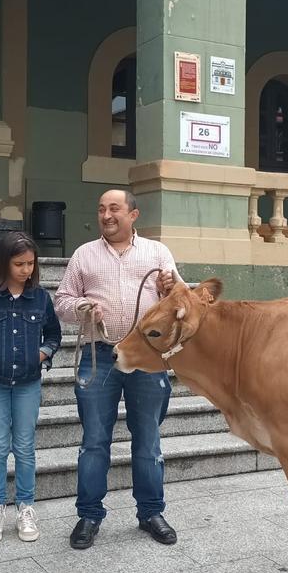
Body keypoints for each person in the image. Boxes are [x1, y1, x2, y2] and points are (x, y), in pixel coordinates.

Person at [54, 189, 181, 550]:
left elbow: (180, 301)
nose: (107, 215)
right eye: (101, 209)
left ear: (133, 214)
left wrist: (169, 290)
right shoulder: (84, 255)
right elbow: (61, 301)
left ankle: (151, 512)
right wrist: (80, 306)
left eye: (114, 208)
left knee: (148, 441)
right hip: (100, 355)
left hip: (147, 357)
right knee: (94, 442)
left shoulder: (158, 253)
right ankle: (90, 514)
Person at [0, 232, 61, 544]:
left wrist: (43, 353)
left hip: (29, 384)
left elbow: (54, 336)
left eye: (31, 263)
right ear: (4, 263)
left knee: (24, 447)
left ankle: (26, 507)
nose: (26, 270)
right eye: (19, 263)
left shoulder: (41, 298)